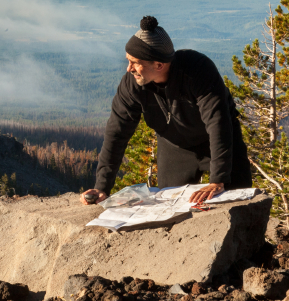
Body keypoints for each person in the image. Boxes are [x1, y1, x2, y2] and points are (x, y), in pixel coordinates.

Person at [81, 15, 252, 206]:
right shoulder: (132, 85)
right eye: (128, 61)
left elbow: (218, 123)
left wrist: (218, 179)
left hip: (219, 144)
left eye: (135, 62)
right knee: (171, 209)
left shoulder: (198, 71)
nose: (129, 69)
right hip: (174, 147)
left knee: (239, 202)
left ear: (159, 65)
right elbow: (116, 133)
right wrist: (102, 187)